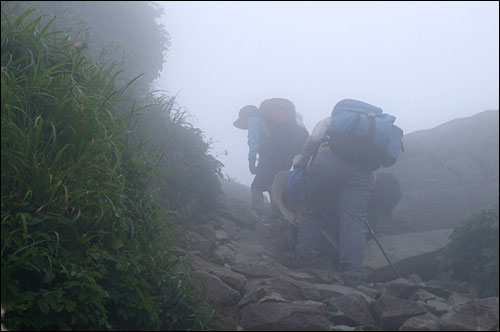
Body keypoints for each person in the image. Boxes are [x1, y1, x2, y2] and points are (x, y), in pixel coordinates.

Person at [292, 99, 386, 287]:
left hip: (326, 164)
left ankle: (303, 256)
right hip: (362, 172)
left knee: (314, 211)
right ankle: (352, 273)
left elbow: (311, 143)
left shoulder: (330, 121)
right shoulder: (372, 130)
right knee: (354, 220)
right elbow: (373, 169)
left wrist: (301, 165)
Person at [233, 99, 309, 219]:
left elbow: (254, 142)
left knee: (256, 185)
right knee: (273, 185)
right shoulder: (276, 123)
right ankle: (277, 214)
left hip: (270, 155)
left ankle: (257, 212)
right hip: (286, 155)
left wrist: (251, 160)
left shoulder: (254, 119)